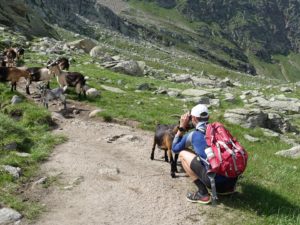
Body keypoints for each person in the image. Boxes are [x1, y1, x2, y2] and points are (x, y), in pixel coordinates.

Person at [172, 104, 237, 204]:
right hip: (232, 179)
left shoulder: (193, 135)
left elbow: (175, 149)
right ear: (208, 117)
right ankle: (227, 189)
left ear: (193, 118)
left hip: (215, 181)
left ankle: (203, 194)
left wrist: (181, 128)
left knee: (182, 153)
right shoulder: (218, 128)